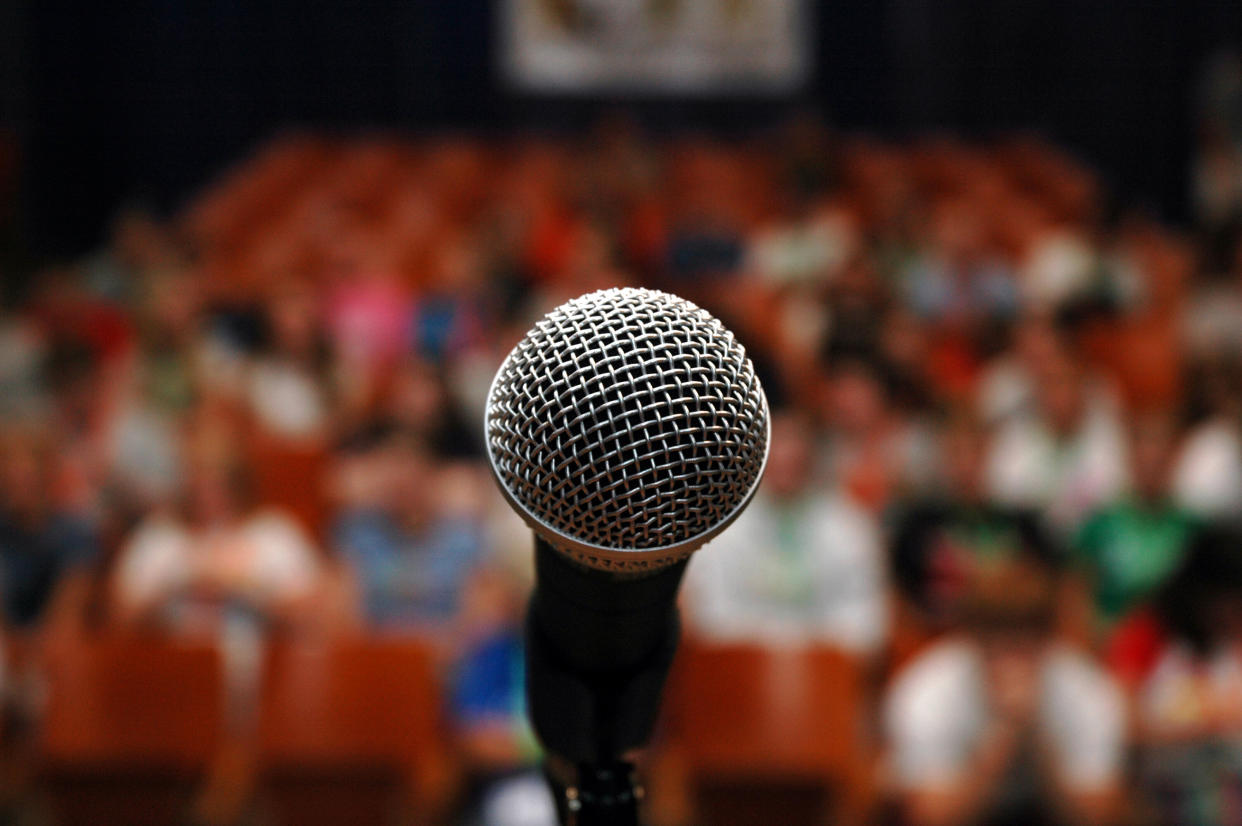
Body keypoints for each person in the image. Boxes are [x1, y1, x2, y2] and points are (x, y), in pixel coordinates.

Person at [884, 558, 1125, 826]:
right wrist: (1003, 734)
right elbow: (931, 819)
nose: (1011, 662)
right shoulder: (928, 690)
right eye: (995, 648)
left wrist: (1036, 737)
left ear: (1049, 640)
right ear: (971, 639)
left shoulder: (1086, 690)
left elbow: (1096, 818)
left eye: (1024, 646)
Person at [683, 410, 889, 657]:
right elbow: (710, 617)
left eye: (794, 454)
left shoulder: (850, 527)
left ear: (812, 456)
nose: (784, 461)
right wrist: (774, 645)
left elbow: (867, 624)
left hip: (826, 676)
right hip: (738, 675)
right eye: (776, 451)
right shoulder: (720, 526)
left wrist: (800, 648)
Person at [1107, 525, 1242, 826]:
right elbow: (1126, 728)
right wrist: (1205, 724)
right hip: (1163, 791)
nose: (1232, 615)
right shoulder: (1146, 633)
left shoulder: (1231, 636)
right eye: (1228, 603)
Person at [889, 410, 1060, 638]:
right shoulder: (917, 525)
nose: (965, 465)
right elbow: (901, 602)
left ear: (990, 454)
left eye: (975, 452)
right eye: (956, 452)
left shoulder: (1023, 524)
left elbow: (1049, 593)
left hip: (1010, 641)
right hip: (938, 639)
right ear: (941, 457)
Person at [1067, 412, 1198, 645]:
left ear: (1175, 459)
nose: (1150, 467)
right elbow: (1074, 595)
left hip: (1173, 650)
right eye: (1144, 456)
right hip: (1108, 645)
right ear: (1129, 457)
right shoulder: (1100, 525)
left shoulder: (1192, 531)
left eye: (1159, 458)